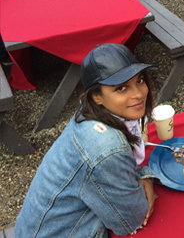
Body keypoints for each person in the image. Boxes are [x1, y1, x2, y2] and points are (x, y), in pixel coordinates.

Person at [14, 43, 158, 237]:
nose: (139, 94)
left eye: (140, 80)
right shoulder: (107, 148)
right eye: (121, 88)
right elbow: (131, 220)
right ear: (97, 96)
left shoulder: (89, 110)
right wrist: (145, 177)